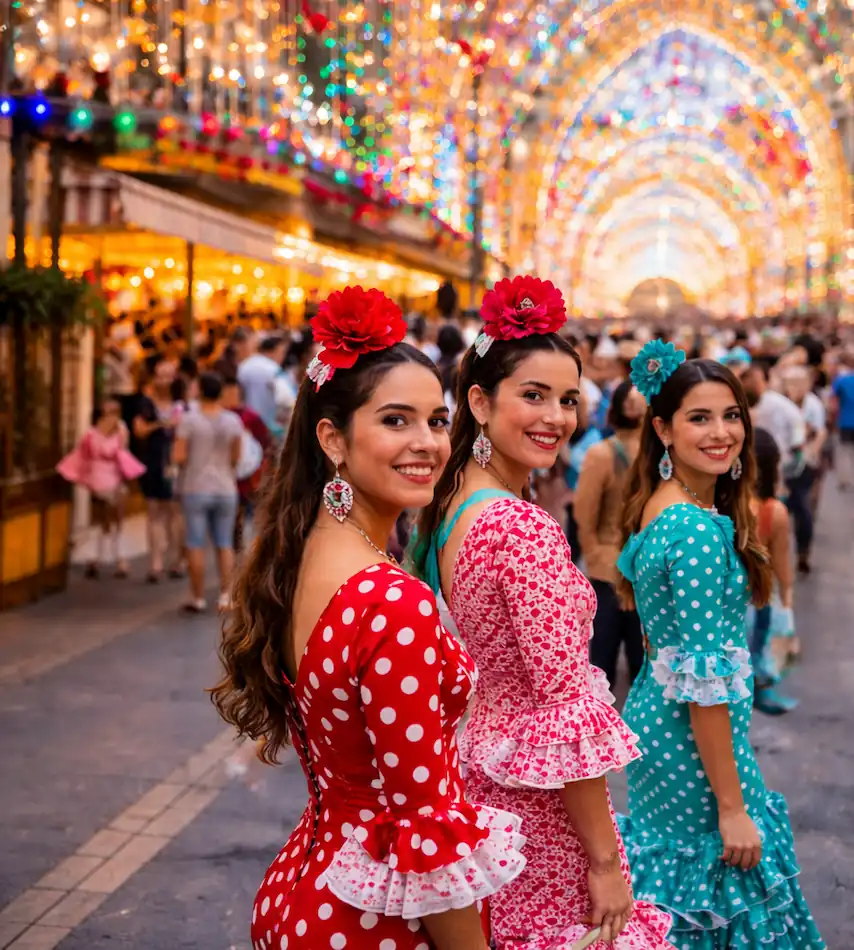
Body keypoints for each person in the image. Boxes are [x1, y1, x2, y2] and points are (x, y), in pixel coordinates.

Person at [210, 286, 525, 950]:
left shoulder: (298, 559)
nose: (427, 443)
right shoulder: (391, 601)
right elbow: (425, 826)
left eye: (438, 421)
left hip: (304, 895)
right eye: (395, 420)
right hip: (374, 919)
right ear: (333, 438)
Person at [412, 276, 672, 950]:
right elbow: (563, 710)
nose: (554, 417)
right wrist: (604, 863)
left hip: (484, 782)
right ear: (479, 399)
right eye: (533, 396)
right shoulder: (516, 528)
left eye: (566, 399)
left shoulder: (452, 506)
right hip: (543, 819)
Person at [615, 341, 824, 949]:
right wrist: (731, 807)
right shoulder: (697, 530)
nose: (721, 432)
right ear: (663, 429)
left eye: (730, 415)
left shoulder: (663, 506)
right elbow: (704, 683)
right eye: (699, 418)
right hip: (691, 743)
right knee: (724, 883)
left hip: (659, 728)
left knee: (672, 890)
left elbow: (663, 642)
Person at [574, 380, 646, 691]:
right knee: (640, 664)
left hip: (611, 568)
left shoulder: (602, 454)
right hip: (638, 569)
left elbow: (583, 516)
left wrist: (594, 556)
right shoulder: (660, 456)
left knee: (604, 664)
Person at [173, 372, 244, 612]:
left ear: (200, 390)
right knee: (224, 542)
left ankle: (198, 597)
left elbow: (179, 456)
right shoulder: (233, 421)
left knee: (195, 542)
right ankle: (226, 595)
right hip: (225, 486)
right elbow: (236, 456)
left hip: (196, 485)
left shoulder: (189, 420)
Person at [57, 396, 145, 578]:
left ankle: (117, 556)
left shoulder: (121, 431)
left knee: (116, 518)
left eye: (115, 413)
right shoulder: (90, 434)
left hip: (114, 477)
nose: (113, 417)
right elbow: (83, 456)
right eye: (109, 413)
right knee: (101, 518)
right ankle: (97, 556)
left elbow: (123, 455)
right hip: (97, 478)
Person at [750, 428, 799, 715]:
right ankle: (761, 692)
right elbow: (783, 572)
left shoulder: (711, 505)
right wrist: (788, 610)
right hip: (757, 606)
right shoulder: (772, 511)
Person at [133, 357, 185, 582]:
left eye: (168, 375)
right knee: (154, 509)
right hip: (153, 460)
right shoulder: (145, 403)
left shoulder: (183, 403)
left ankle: (177, 558)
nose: (164, 381)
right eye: (160, 375)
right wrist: (161, 425)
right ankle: (155, 563)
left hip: (176, 462)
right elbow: (139, 430)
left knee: (175, 511)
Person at [779, 365, 827, 572]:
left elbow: (820, 432)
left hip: (803, 464)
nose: (796, 388)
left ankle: (803, 551)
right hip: (781, 463)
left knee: (802, 506)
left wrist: (811, 453)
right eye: (792, 383)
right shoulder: (780, 403)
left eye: (800, 383)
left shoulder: (813, 405)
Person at [221, 377, 272, 550]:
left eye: (232, 393)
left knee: (249, 513)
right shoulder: (221, 417)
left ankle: (248, 549)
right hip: (226, 477)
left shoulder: (250, 417)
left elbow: (265, 442)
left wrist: (262, 467)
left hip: (249, 477)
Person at [237, 334, 287, 431]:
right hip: (270, 425)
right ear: (272, 351)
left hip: (248, 423)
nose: (283, 357)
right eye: (281, 352)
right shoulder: (274, 369)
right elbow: (286, 399)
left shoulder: (244, 366)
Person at [831, 348, 854, 490]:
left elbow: (833, 402)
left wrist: (832, 419)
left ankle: (845, 480)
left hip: (845, 421)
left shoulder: (841, 380)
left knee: (845, 451)